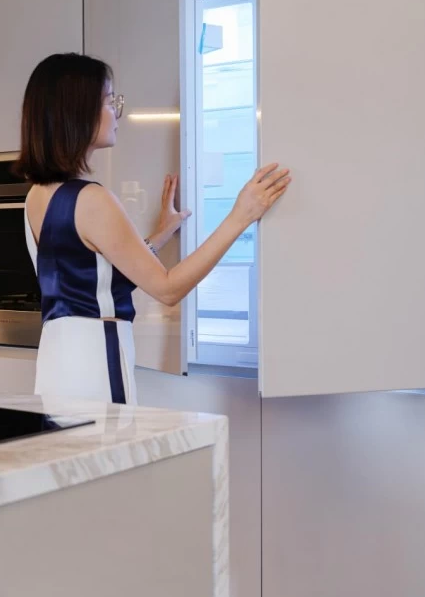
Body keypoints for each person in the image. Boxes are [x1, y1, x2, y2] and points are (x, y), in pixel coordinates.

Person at [17, 52, 290, 405]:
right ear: (78, 112)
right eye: (109, 100)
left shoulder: (36, 196)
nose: (116, 112)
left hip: (56, 363)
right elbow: (167, 288)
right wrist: (241, 215)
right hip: (97, 364)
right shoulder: (92, 199)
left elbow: (92, 272)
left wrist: (161, 233)